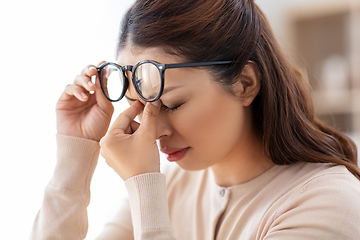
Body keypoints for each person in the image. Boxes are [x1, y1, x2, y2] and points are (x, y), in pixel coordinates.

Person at [31, 0, 360, 239]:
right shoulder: (174, 185)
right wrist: (75, 154)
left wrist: (145, 191)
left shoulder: (327, 203)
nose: (153, 131)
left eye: (172, 104)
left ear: (245, 83)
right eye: (137, 105)